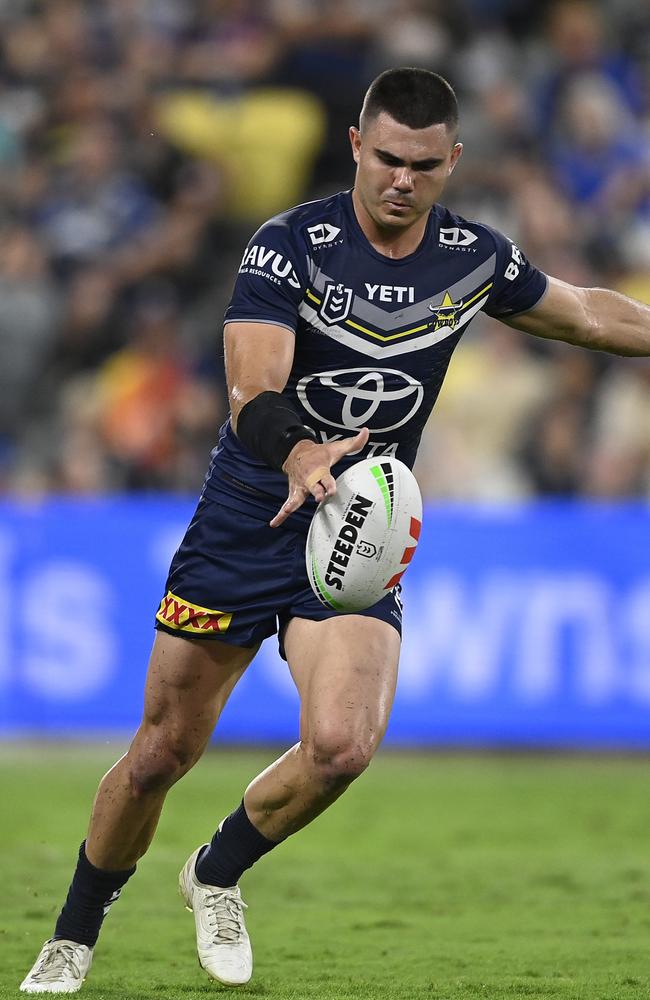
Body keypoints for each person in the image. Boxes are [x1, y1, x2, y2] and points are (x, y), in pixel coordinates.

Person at [20, 66, 650, 994]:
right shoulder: (289, 247)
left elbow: (590, 313)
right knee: (161, 752)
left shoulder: (474, 258)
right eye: (387, 158)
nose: (402, 180)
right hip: (249, 515)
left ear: (452, 162)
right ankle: (74, 935)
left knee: (344, 746)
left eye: (424, 166)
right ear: (357, 146)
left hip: (356, 526)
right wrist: (299, 452)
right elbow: (250, 390)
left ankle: (216, 871)